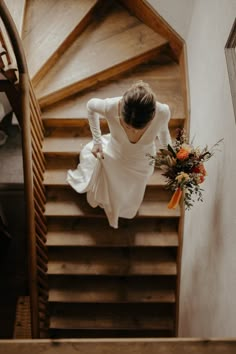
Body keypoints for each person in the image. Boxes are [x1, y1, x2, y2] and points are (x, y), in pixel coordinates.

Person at [67, 81, 172, 228]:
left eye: (138, 128)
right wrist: (97, 141)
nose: (133, 131)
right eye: (128, 126)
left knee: (133, 188)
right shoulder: (110, 106)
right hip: (115, 156)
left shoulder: (163, 112)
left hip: (143, 161)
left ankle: (126, 206)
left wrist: (172, 155)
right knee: (113, 186)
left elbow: (164, 133)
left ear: (152, 115)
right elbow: (90, 106)